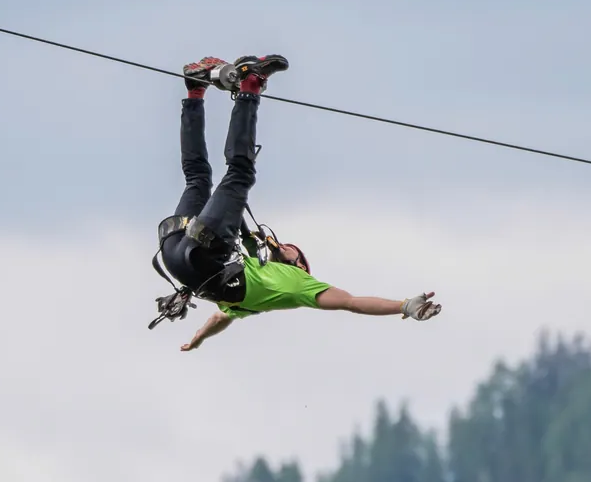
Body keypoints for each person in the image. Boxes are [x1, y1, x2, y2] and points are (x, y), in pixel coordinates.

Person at [155, 54, 440, 352]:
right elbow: (218, 318)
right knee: (198, 179)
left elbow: (351, 302)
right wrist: (198, 339)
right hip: (177, 252)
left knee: (240, 173)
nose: (288, 246)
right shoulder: (254, 278)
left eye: (294, 250)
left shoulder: (297, 284)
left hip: (198, 256)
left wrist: (404, 306)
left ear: (300, 266)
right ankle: (194, 90)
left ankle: (250, 85)